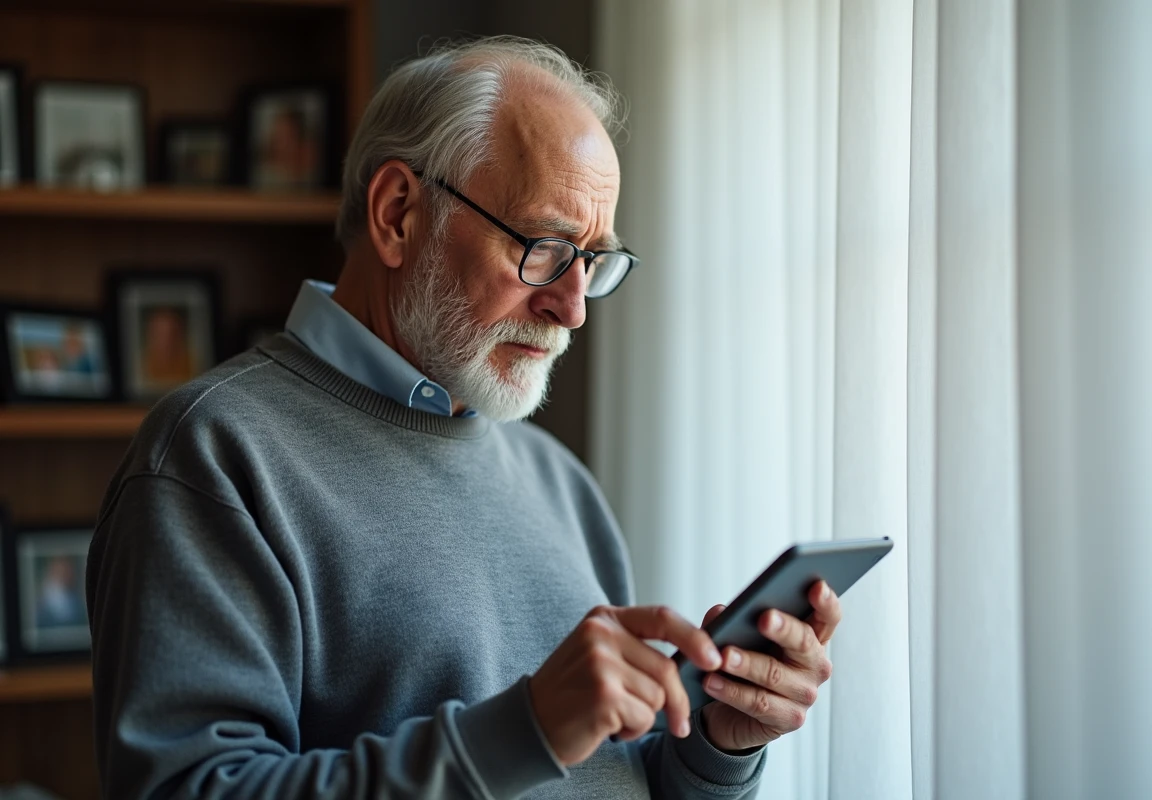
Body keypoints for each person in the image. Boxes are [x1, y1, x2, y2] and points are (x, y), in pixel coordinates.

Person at [86, 36, 841, 799]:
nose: (572, 308)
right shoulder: (213, 455)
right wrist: (525, 733)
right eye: (544, 246)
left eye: (592, 261)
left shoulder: (561, 483)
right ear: (398, 213)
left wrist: (715, 749)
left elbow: (602, 780)